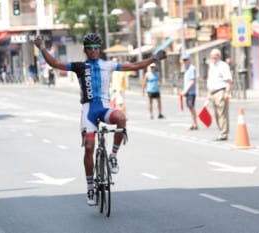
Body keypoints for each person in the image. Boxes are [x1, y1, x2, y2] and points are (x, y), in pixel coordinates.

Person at [33, 33, 167, 205]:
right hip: (89, 111)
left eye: (97, 48)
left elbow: (134, 65)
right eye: (90, 48)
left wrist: (154, 58)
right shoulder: (79, 66)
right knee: (89, 147)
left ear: (100, 49)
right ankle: (90, 188)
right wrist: (41, 47)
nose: (94, 51)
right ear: (85, 50)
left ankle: (112, 156)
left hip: (104, 108)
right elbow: (55, 63)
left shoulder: (108, 65)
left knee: (121, 118)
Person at [207, 48, 233, 141]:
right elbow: (210, 80)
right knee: (217, 114)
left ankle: (223, 134)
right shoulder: (211, 66)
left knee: (222, 113)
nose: (213, 58)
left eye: (215, 56)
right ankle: (221, 131)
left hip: (221, 91)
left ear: (219, 56)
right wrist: (209, 93)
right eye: (212, 56)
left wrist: (227, 92)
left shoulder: (223, 65)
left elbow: (228, 80)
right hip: (213, 92)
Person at [180, 53, 198, 130]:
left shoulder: (191, 68)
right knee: (190, 107)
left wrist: (185, 91)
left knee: (191, 107)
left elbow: (192, 81)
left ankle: (195, 124)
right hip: (188, 92)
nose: (185, 61)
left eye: (186, 60)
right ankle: (194, 123)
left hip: (191, 92)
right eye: (183, 60)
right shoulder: (186, 69)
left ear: (189, 60)